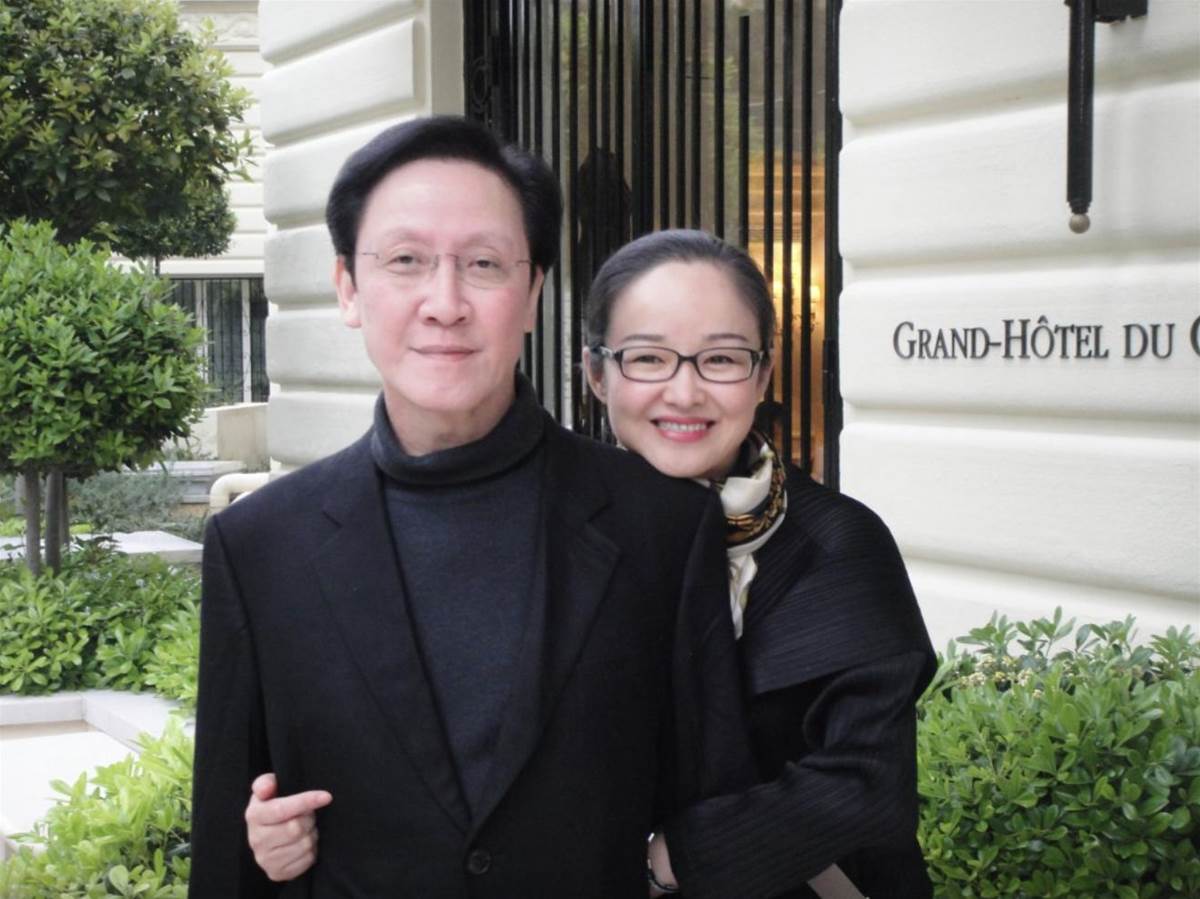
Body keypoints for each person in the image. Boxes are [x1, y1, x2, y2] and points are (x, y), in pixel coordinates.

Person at [245, 228, 936, 897]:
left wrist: (672, 861)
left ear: (763, 373)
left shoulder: (836, 545)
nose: (684, 392)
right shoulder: (530, 528)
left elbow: (867, 785)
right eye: (648, 358)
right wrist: (291, 826)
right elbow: (442, 741)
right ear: (596, 374)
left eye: (722, 359)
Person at [189, 121, 753, 898]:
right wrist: (264, 845)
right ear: (348, 287)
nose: (445, 303)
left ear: (533, 293)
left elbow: (712, 813)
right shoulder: (260, 545)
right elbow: (230, 852)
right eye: (406, 260)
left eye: (483, 264)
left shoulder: (660, 525)